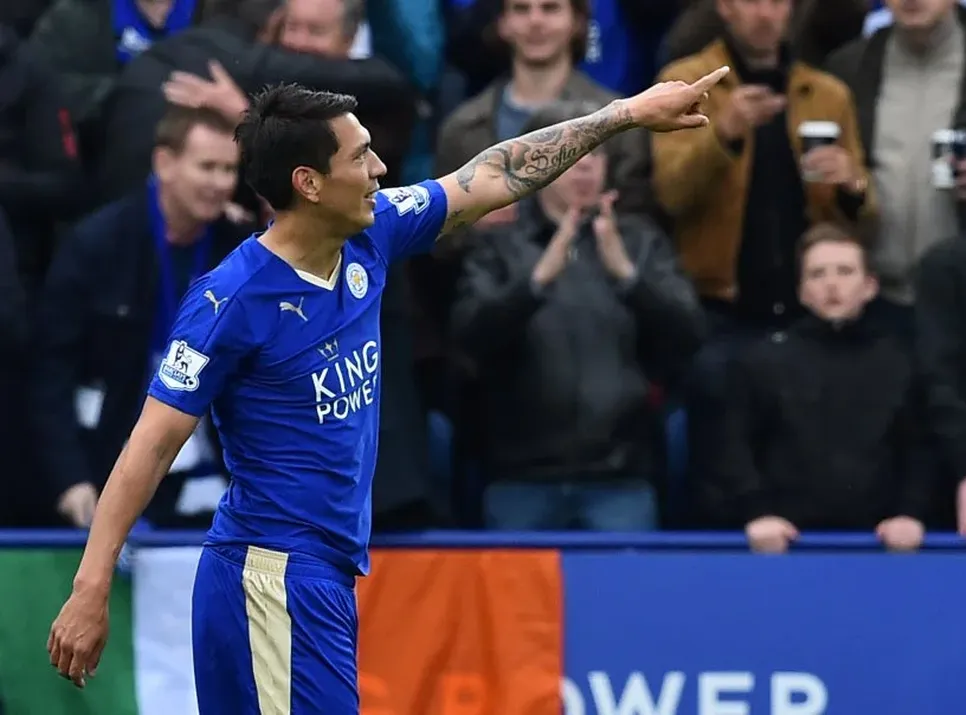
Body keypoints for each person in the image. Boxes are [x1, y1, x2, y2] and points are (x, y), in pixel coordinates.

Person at [47, 66, 730, 713]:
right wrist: (90, 585)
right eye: (361, 156)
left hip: (318, 576)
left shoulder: (372, 235)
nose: (379, 169)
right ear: (310, 183)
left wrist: (624, 114)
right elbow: (151, 443)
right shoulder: (231, 301)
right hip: (269, 576)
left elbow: (491, 175)